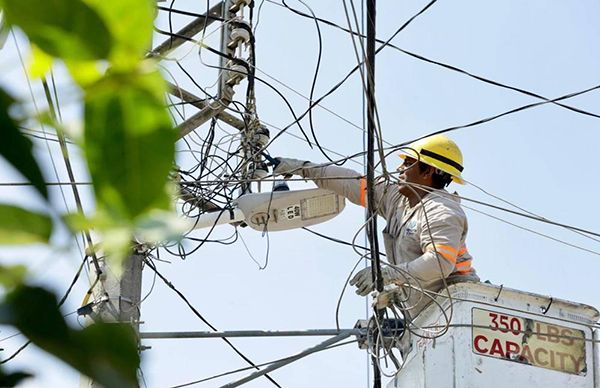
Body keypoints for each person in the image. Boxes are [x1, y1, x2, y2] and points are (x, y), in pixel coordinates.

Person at [273, 134, 479, 318]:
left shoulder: (442, 212)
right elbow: (352, 183)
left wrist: (387, 274)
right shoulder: (397, 199)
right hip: (429, 315)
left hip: (458, 311)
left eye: (408, 163)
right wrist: (303, 168)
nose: (400, 169)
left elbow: (440, 261)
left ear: (429, 171)